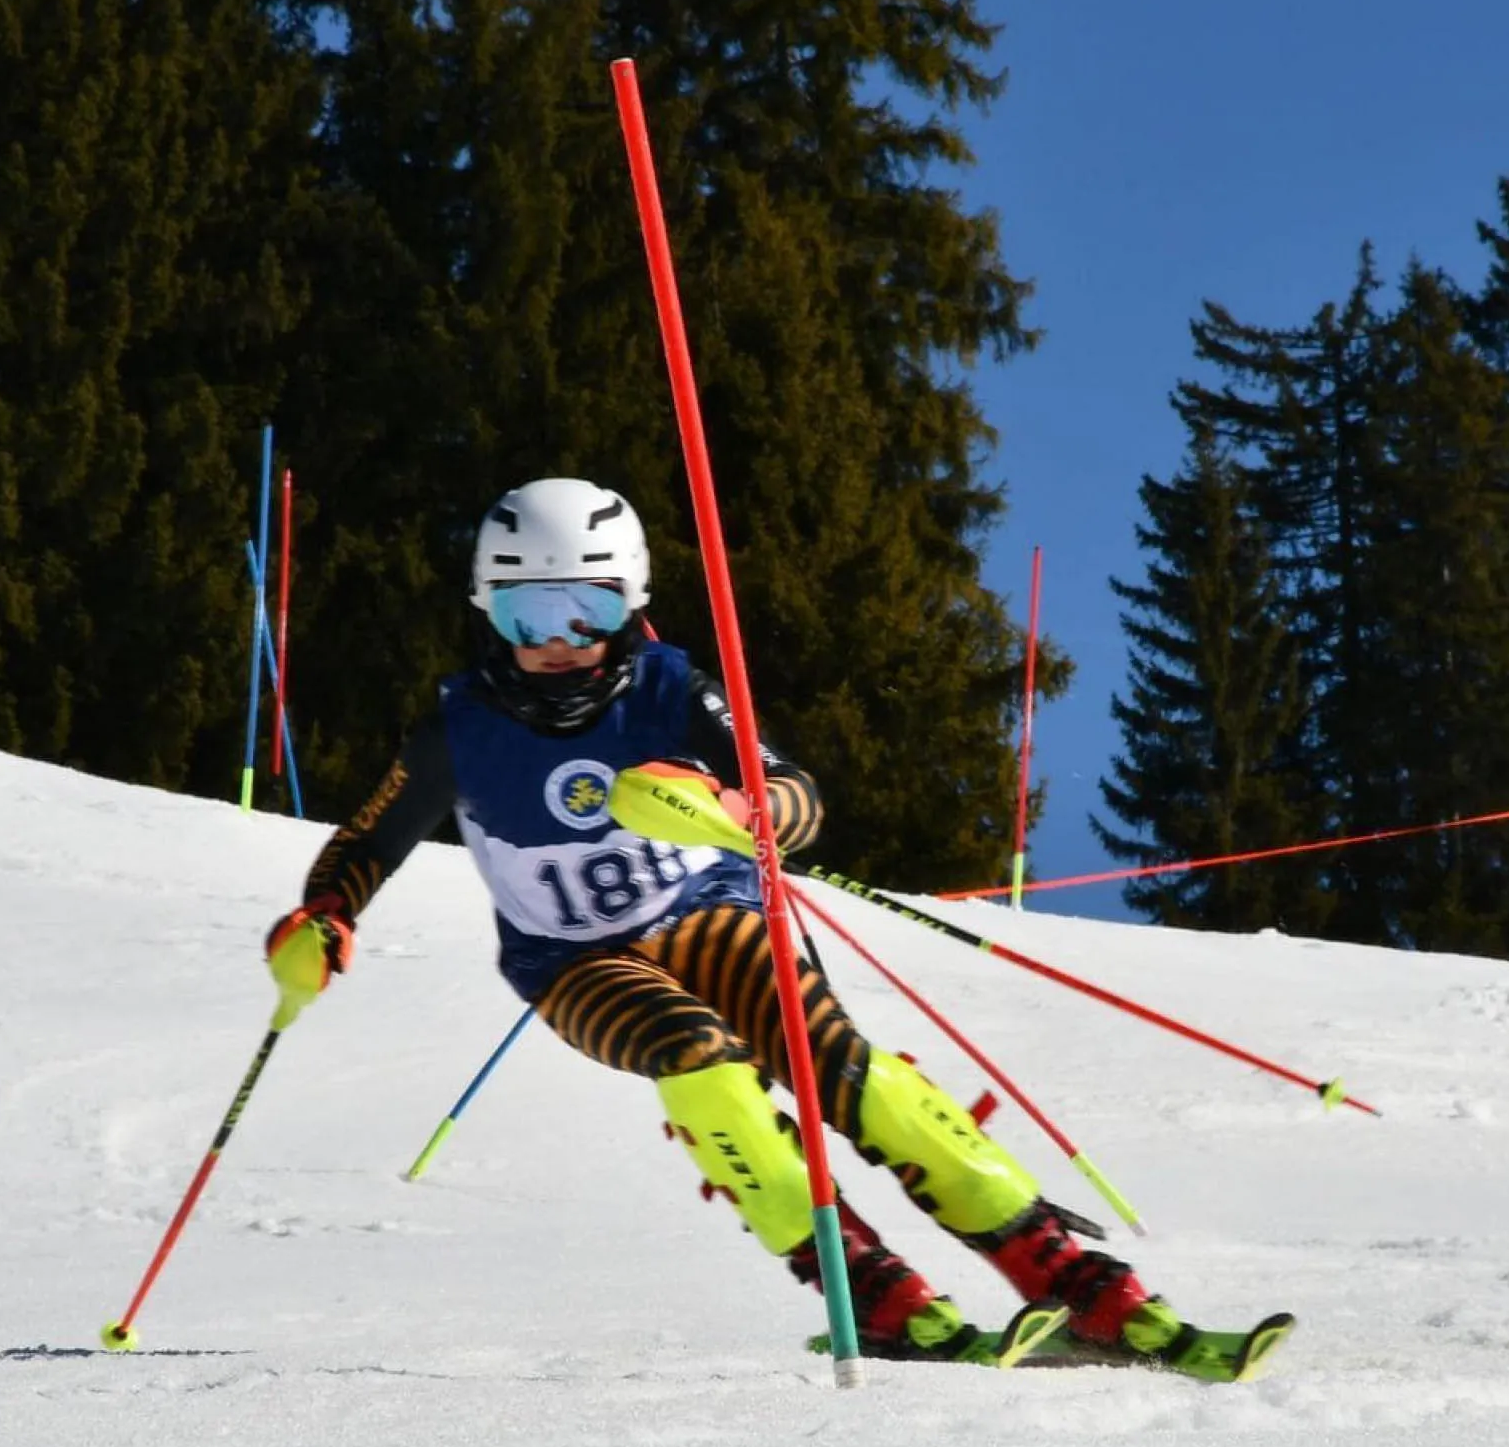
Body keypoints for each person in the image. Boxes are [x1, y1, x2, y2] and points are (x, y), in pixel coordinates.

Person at [263, 477, 1276, 1377]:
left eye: (590, 607)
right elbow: (365, 841)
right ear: (488, 609)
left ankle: (1077, 1281)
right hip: (574, 961)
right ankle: (875, 1294)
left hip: (711, 913)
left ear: (631, 604)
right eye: (529, 609)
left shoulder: (668, 689)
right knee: (699, 1062)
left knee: (842, 1067)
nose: (560, 639)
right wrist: (323, 919)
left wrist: (741, 809)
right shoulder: (458, 727)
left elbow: (795, 791)